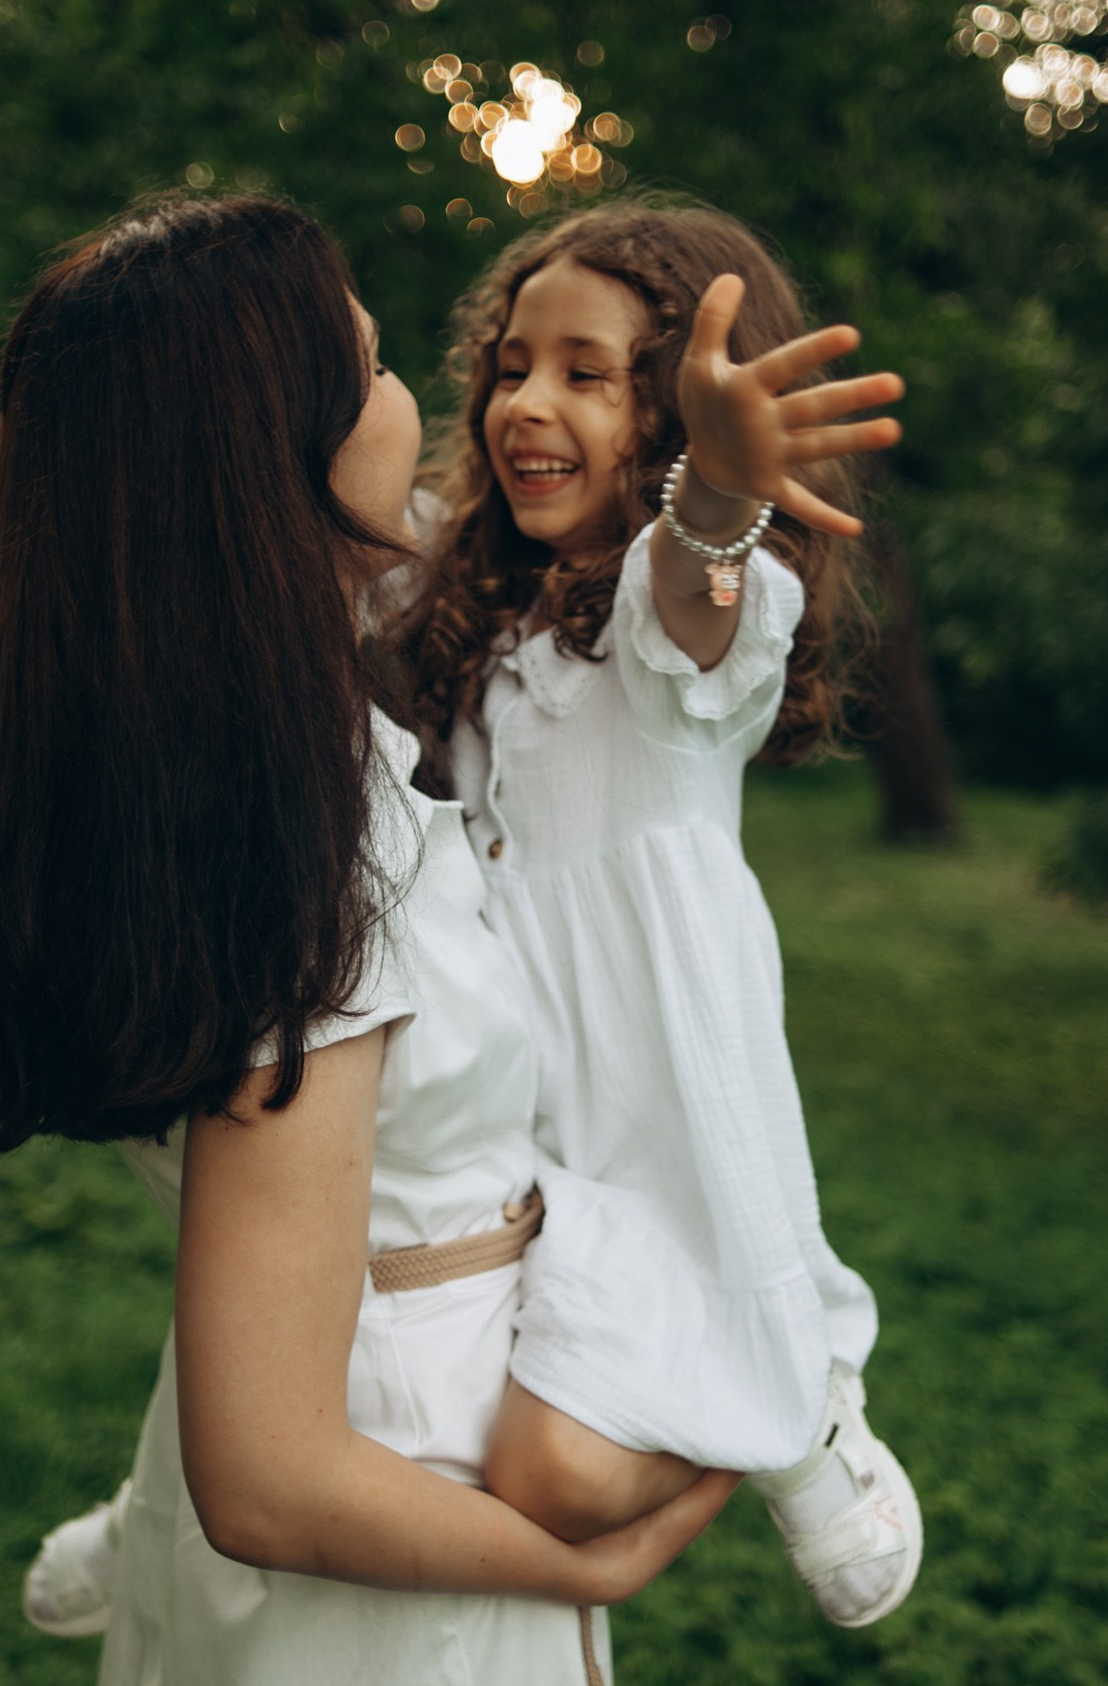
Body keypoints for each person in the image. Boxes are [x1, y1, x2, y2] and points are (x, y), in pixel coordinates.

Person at [0, 193, 734, 1683]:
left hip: (371, 1463)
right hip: (394, 1532)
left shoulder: (182, 745)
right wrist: (592, 1560)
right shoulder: (309, 839)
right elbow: (271, 1475)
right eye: (382, 367)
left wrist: (705, 503)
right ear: (283, 454)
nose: (416, 406)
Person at [394, 199, 922, 1628]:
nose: (529, 403)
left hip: (657, 1141)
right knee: (362, 1345)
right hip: (497, 1120)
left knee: (551, 1474)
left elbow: (693, 589)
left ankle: (796, 1402)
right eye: (511, 366)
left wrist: (716, 495)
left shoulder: (659, 638)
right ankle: (163, 1523)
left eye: (588, 372)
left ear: (675, 417)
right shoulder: (480, 605)